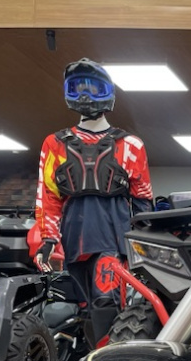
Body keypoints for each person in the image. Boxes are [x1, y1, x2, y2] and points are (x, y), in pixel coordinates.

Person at [31, 58, 153, 345]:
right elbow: (48, 196)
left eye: (93, 88)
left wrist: (144, 248)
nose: (85, 95)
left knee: (105, 302)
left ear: (107, 92)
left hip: (113, 237)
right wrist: (48, 239)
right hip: (74, 240)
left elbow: (143, 200)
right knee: (84, 308)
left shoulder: (130, 145)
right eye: (77, 87)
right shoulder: (54, 144)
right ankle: (90, 359)